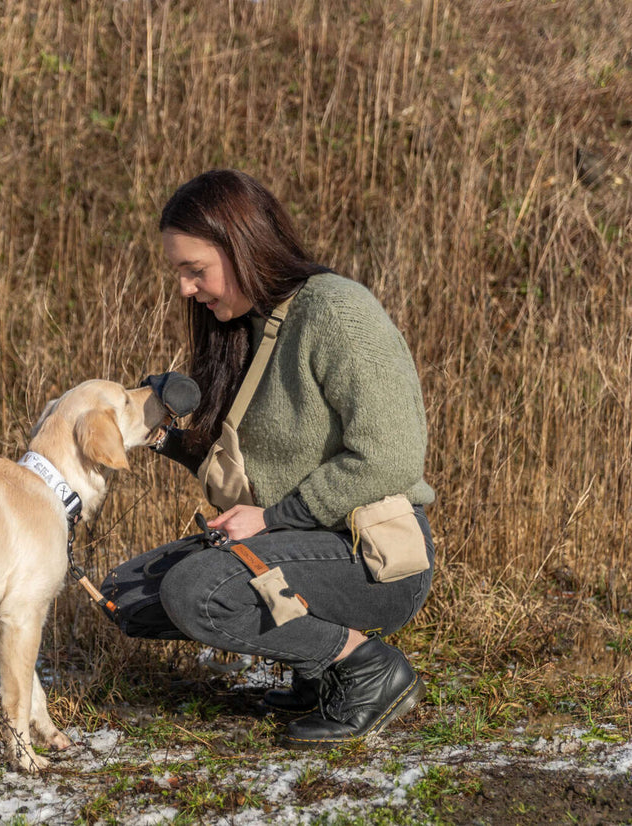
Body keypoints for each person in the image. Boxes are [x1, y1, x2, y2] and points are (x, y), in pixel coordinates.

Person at [148, 169, 436, 748]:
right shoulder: (244, 329)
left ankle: (367, 669)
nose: (184, 288)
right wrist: (154, 435)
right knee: (135, 591)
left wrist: (273, 521)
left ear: (242, 245)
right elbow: (242, 472)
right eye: (179, 272)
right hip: (302, 544)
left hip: (370, 555)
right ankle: (316, 672)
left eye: (194, 270)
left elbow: (392, 457)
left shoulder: (335, 312)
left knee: (194, 591)